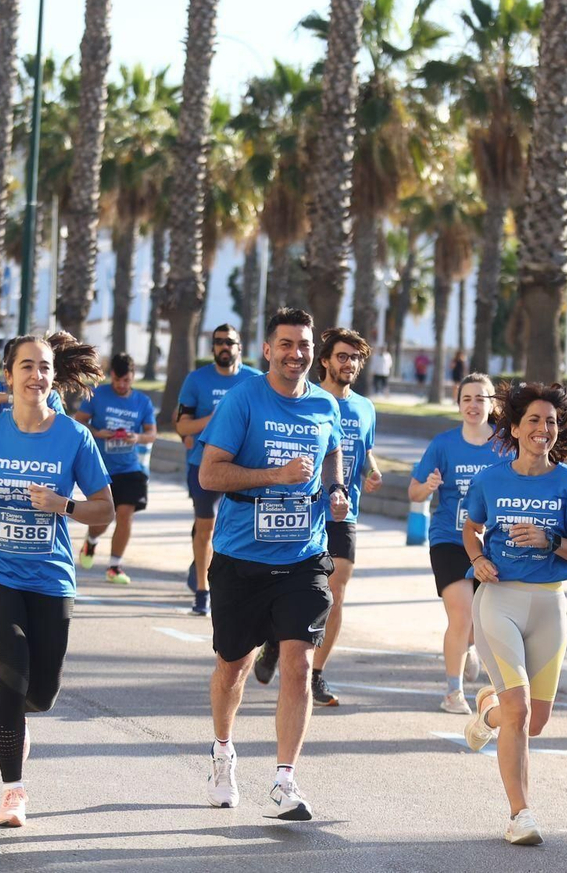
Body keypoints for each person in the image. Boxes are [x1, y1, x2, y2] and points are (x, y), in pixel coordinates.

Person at [0, 332, 112, 827]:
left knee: (42, 693)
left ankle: (20, 719)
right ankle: (12, 791)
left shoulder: (74, 438)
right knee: (10, 674)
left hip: (52, 576)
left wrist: (65, 505)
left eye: (44, 368)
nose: (36, 375)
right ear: (8, 375)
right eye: (27, 366)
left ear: (53, 377)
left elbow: (106, 510)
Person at [198, 307, 347, 822]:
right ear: (267, 350)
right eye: (286, 344)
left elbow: (332, 455)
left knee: (298, 664)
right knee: (232, 665)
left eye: (304, 345)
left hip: (303, 556)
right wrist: (276, 474)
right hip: (241, 557)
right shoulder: (243, 400)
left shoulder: (326, 405)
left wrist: (337, 488)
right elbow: (210, 476)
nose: (296, 353)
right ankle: (222, 751)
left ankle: (285, 780)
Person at [460, 380, 567, 846]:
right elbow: (472, 527)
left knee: (532, 723)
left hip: (549, 604)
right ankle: (520, 815)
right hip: (498, 600)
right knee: (518, 709)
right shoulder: (490, 480)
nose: (544, 429)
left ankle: (486, 713)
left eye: (552, 422)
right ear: (516, 428)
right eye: (534, 421)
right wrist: (478, 559)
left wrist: (551, 540)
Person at [251, 327, 380, 707]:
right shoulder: (312, 399)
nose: (349, 364)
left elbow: (363, 449)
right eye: (342, 356)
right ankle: (275, 641)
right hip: (301, 509)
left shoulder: (366, 407)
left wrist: (371, 472)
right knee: (288, 585)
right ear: (324, 360)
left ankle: (317, 674)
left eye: (355, 358)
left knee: (336, 591)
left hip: (343, 510)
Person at [409, 372, 504, 713]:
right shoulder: (444, 444)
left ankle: (471, 647)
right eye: (467, 399)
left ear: (492, 404)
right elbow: (414, 491)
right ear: (458, 403)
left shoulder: (507, 444)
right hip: (449, 538)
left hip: (494, 543)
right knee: (461, 614)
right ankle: (452, 693)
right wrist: (429, 485)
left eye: (481, 398)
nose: (473, 405)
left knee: (483, 620)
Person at [175, 323, 264, 616]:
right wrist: (215, 419)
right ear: (212, 347)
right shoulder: (196, 380)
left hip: (244, 468)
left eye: (230, 342)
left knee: (236, 527)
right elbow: (182, 426)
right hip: (203, 467)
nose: (224, 347)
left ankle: (221, 573)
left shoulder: (255, 380)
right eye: (218, 342)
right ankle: (202, 591)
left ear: (240, 347)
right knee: (206, 527)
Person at [73, 352, 157, 584]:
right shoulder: (98, 395)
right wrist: (98, 433)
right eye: (117, 380)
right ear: (111, 376)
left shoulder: (143, 402)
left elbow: (151, 434)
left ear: (133, 377)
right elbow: (78, 422)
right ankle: (91, 541)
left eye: (126, 380)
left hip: (131, 467)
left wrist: (135, 437)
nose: (121, 385)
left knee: (125, 513)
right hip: (101, 467)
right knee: (104, 517)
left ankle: (114, 566)